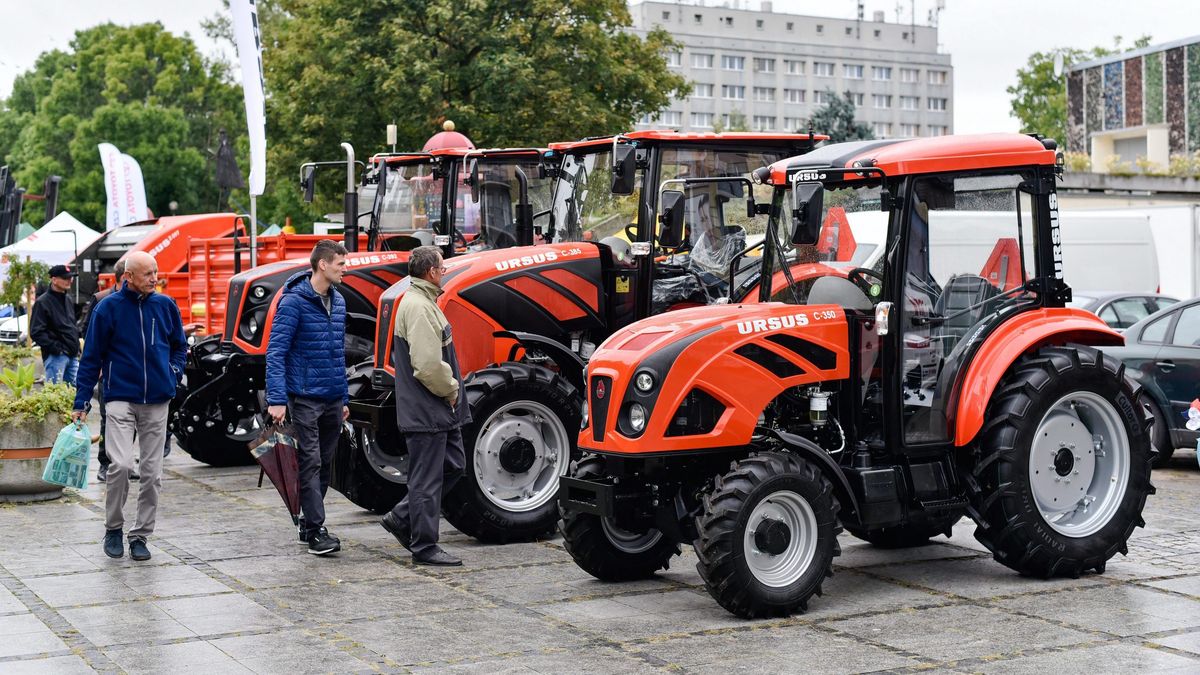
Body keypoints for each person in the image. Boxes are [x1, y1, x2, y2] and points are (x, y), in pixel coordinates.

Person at [72, 252, 187, 562]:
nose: (154, 278)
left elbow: (179, 345)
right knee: (120, 465)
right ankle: (113, 528)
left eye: (155, 272)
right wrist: (81, 401)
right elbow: (91, 357)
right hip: (120, 397)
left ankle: (140, 535)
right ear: (129, 277)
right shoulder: (107, 308)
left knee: (152, 474)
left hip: (158, 400)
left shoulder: (165, 305)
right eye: (147, 273)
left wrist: (174, 371)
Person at [379, 245, 469, 566]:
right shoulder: (418, 306)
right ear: (431, 272)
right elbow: (427, 366)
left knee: (453, 465)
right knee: (427, 480)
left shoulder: (423, 301)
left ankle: (402, 517)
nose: (444, 273)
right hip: (427, 409)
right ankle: (425, 546)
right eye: (442, 268)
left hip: (436, 411)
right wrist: (452, 388)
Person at [265, 240, 349, 556]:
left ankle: (307, 522)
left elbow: (337, 354)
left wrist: (344, 399)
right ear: (323, 265)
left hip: (331, 398)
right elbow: (276, 352)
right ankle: (316, 531)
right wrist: (276, 399)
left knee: (324, 463)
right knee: (310, 461)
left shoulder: (338, 302)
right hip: (304, 399)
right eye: (341, 264)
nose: (345, 270)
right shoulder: (294, 302)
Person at [78, 258, 130, 484]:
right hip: (107, 374)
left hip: (131, 377)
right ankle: (104, 463)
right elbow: (88, 336)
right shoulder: (101, 300)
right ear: (125, 277)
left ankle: (124, 461)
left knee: (130, 424)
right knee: (107, 421)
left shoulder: (141, 302)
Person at [30, 264, 81, 384]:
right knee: (55, 392)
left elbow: (71, 326)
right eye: (65, 278)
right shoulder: (42, 302)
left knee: (75, 391)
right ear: (54, 280)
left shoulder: (67, 299)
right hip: (56, 357)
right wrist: (57, 349)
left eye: (70, 277)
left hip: (72, 355)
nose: (69, 280)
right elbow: (36, 332)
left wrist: (77, 347)